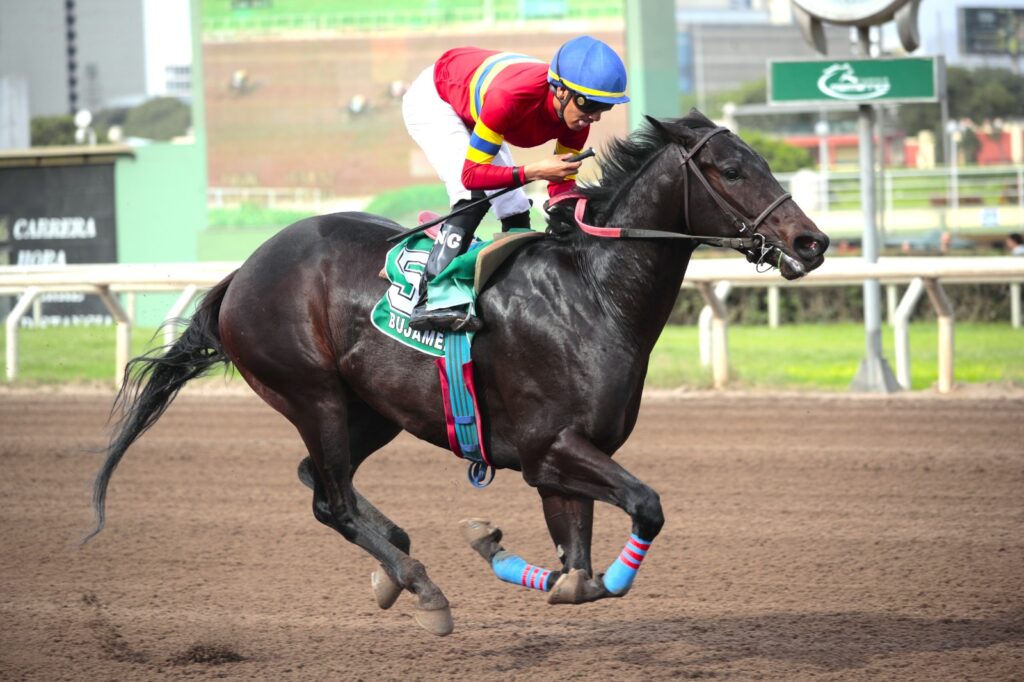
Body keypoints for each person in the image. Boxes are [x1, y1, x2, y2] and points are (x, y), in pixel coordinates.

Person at [401, 35, 629, 331]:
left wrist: (577, 226)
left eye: (605, 107)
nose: (595, 117)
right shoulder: (511, 98)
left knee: (516, 207)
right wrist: (534, 171)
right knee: (471, 193)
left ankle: (517, 288)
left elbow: (561, 188)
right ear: (560, 91)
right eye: (589, 104)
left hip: (477, 102)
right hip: (437, 100)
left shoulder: (576, 121)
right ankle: (430, 296)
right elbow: (472, 175)